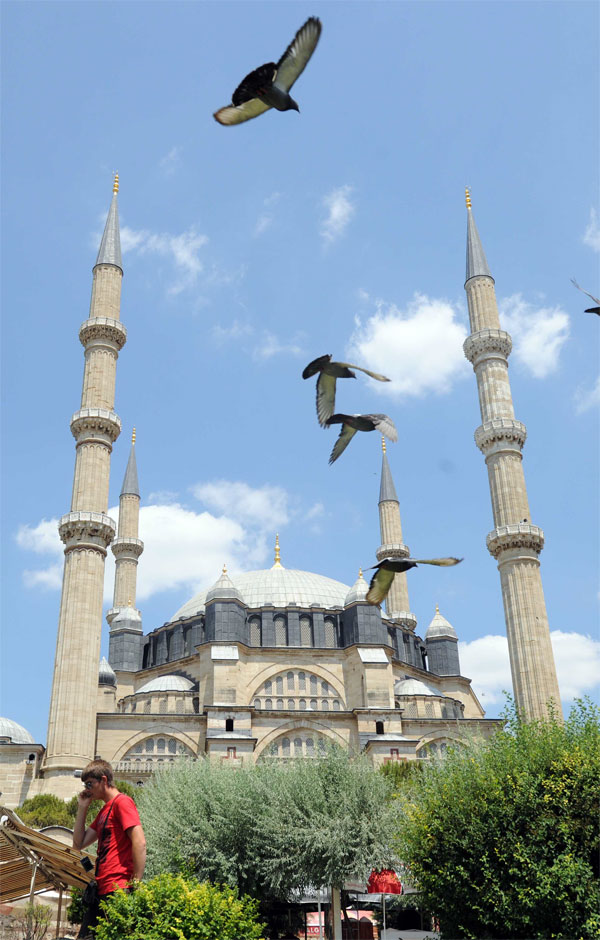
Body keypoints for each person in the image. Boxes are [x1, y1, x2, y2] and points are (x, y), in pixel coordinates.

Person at [72, 759, 146, 938]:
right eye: (85, 785)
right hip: (101, 890)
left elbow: (140, 842)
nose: (87, 789)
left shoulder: (123, 802)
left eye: (90, 784)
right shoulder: (105, 810)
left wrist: (135, 882)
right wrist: (82, 808)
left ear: (104, 780)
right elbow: (78, 844)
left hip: (118, 888)